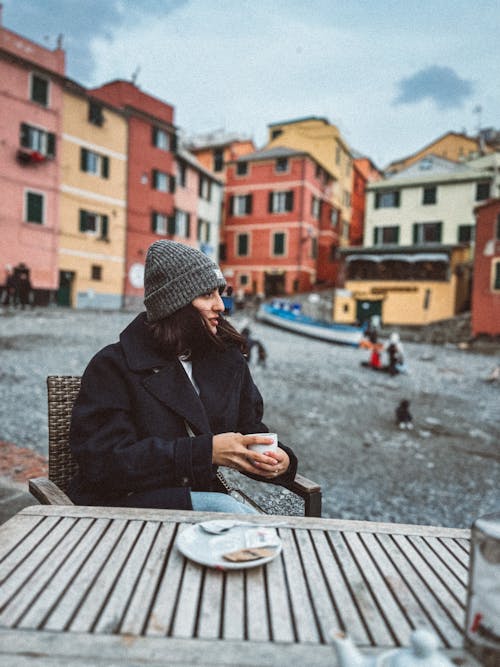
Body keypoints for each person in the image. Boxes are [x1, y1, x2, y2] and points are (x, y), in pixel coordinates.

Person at [68, 240, 297, 513]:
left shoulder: (226, 359)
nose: (221, 306)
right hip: (127, 506)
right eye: (207, 295)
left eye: (220, 293)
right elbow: (103, 463)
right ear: (174, 305)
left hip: (197, 500)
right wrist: (205, 452)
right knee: (236, 515)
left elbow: (248, 428)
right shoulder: (113, 366)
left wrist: (279, 459)